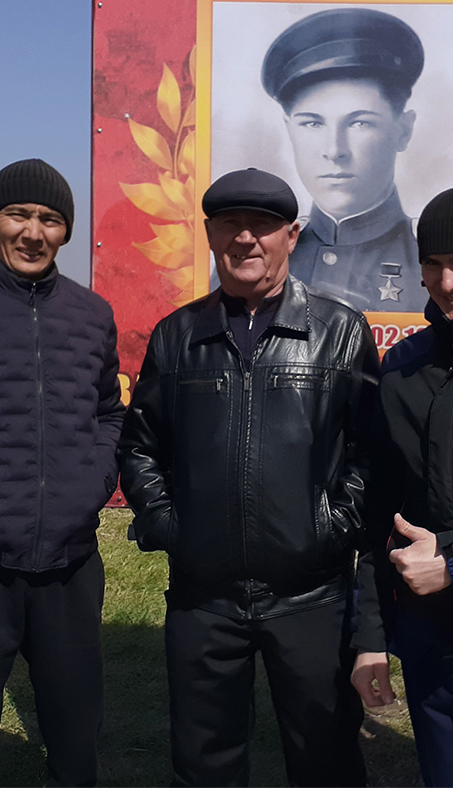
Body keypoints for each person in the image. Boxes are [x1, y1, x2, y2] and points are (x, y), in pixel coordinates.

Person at [118, 167, 379, 787]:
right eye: (230, 224)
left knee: (326, 761)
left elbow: (371, 452)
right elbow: (140, 447)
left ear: (292, 235)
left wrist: (330, 528)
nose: (245, 238)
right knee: (204, 764)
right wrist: (172, 526)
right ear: (210, 234)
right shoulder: (177, 336)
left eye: (261, 225)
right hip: (203, 600)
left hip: (312, 597)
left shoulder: (340, 332)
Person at [351, 185, 453, 787]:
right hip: (428, 640)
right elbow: (379, 511)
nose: (447, 282)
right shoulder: (403, 367)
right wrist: (369, 639)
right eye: (433, 264)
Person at [0, 158, 124, 787]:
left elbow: (110, 412)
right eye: (17, 214)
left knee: (75, 740)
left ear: (66, 231)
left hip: (69, 566)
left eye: (49, 219)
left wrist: (91, 484)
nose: (33, 232)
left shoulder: (92, 314)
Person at [262, 7, 429, 313]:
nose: (334, 150)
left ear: (403, 130)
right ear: (289, 130)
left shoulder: (434, 261)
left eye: (359, 123)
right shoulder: (256, 261)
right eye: (313, 123)